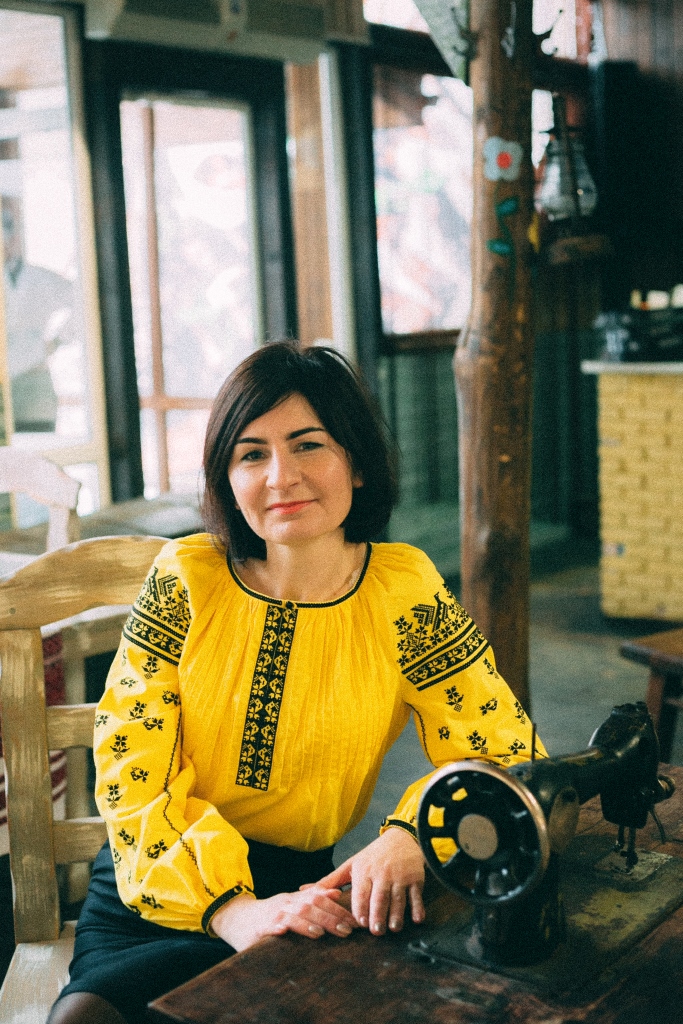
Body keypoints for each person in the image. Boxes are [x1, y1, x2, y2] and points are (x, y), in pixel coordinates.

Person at [49, 341, 544, 1024]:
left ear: (357, 464)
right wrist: (233, 912)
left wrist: (410, 833)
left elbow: (504, 745)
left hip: (301, 890)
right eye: (251, 454)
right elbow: (129, 765)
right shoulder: (185, 578)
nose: (282, 476)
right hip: (155, 879)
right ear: (227, 479)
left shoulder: (402, 591)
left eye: (308, 445)